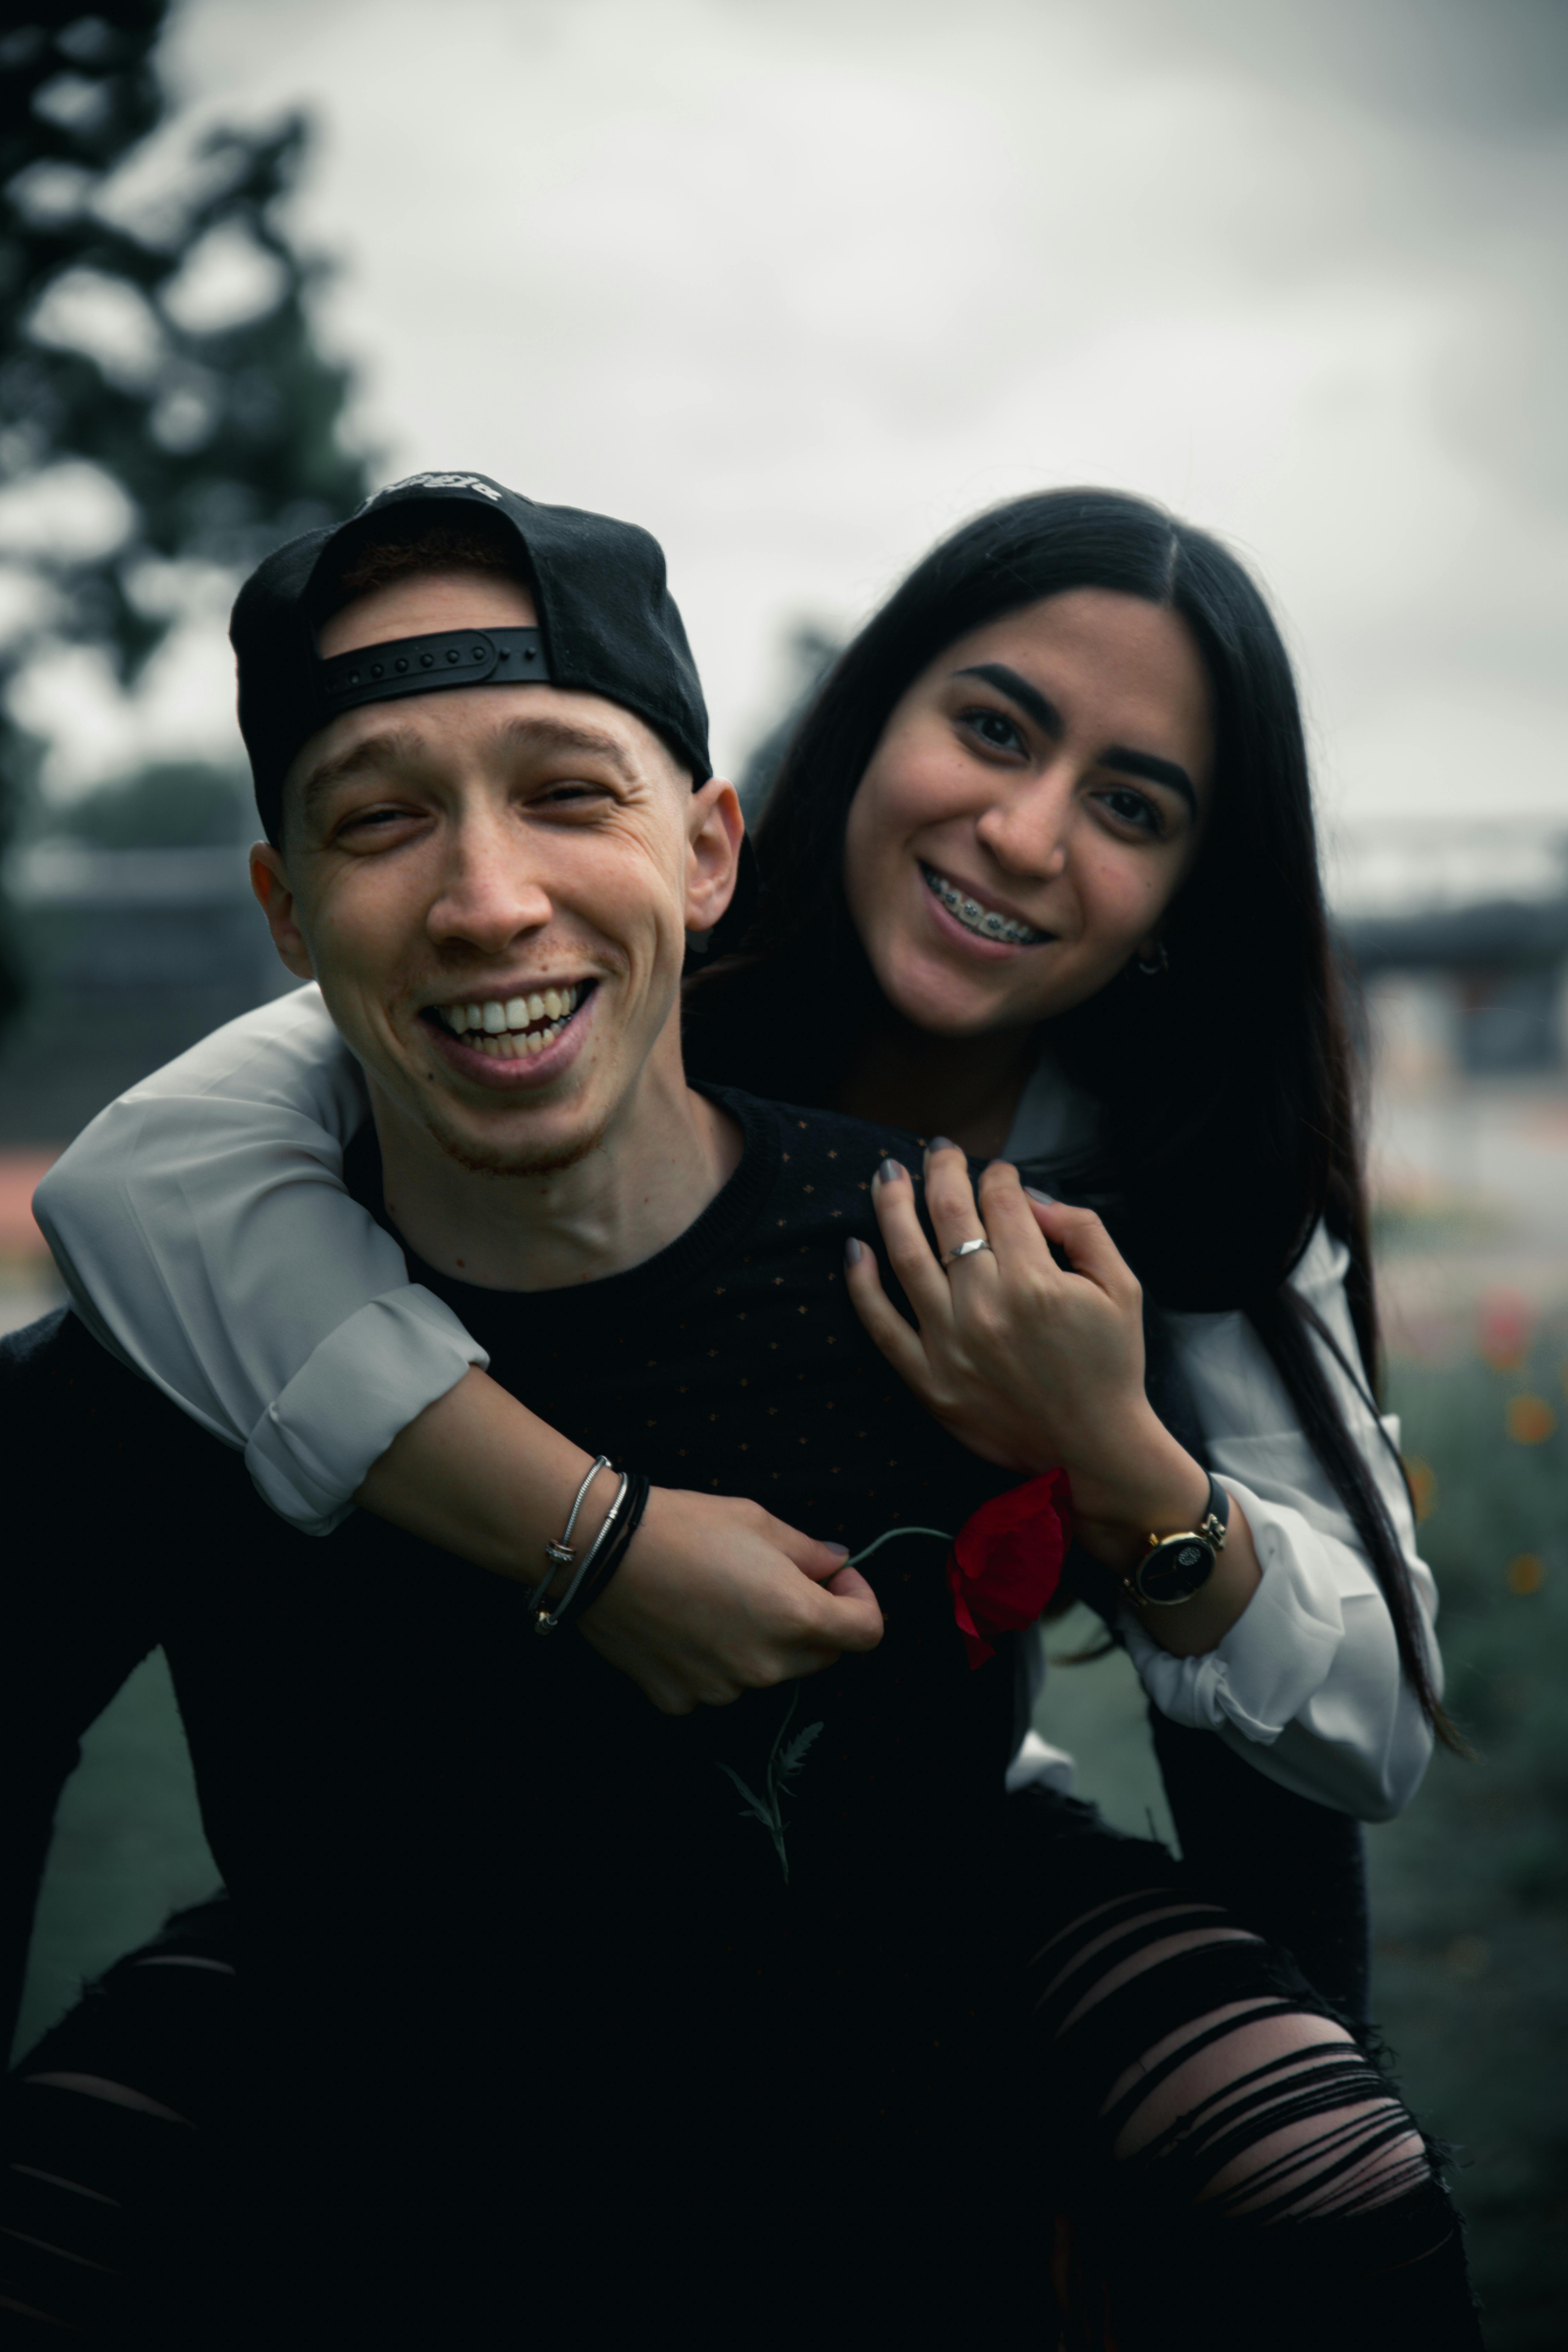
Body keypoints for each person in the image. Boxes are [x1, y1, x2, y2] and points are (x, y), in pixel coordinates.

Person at [4, 478, 1477, 2346]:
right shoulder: (550, 940)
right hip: (433, 1843)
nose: (1023, 831)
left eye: (1133, 803)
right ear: (853, 738)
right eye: (996, 727)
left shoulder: (1190, 1184)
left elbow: (1337, 1735)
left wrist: (1118, 1460)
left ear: (1198, 883)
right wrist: (591, 1531)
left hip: (915, 1807)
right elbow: (149, 1181)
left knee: (1288, 2159)